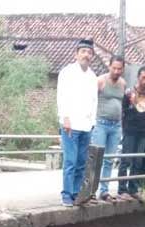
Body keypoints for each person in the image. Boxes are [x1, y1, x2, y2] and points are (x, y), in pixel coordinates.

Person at [56, 38, 98, 207]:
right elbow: (61, 96)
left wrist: (93, 121)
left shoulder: (92, 76)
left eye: (89, 53)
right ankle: (66, 194)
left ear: (92, 56)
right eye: (83, 52)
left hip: (86, 125)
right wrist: (65, 117)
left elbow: (94, 100)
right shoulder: (67, 72)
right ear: (76, 54)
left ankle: (76, 192)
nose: (86, 55)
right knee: (70, 161)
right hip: (70, 124)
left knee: (81, 162)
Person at [118, 66, 145, 201]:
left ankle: (133, 188)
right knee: (125, 160)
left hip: (142, 130)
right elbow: (122, 111)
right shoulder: (128, 93)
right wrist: (123, 130)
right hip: (129, 129)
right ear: (138, 77)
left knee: (138, 161)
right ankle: (122, 189)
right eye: (143, 77)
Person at [92, 55, 126, 201]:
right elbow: (91, 100)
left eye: (119, 69)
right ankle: (90, 190)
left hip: (116, 125)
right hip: (101, 124)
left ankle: (104, 190)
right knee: (96, 158)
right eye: (114, 68)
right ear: (109, 66)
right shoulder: (100, 81)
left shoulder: (123, 83)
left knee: (109, 160)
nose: (117, 71)